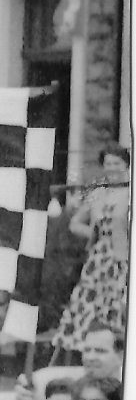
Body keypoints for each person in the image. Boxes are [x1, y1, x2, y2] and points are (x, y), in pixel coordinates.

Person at [50, 144, 129, 358]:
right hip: (98, 259)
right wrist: (95, 234)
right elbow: (75, 223)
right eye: (108, 163)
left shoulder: (131, 192)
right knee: (86, 304)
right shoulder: (98, 192)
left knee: (117, 305)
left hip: (122, 259)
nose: (112, 168)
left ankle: (117, 356)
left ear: (127, 165)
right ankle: (77, 354)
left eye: (117, 163)